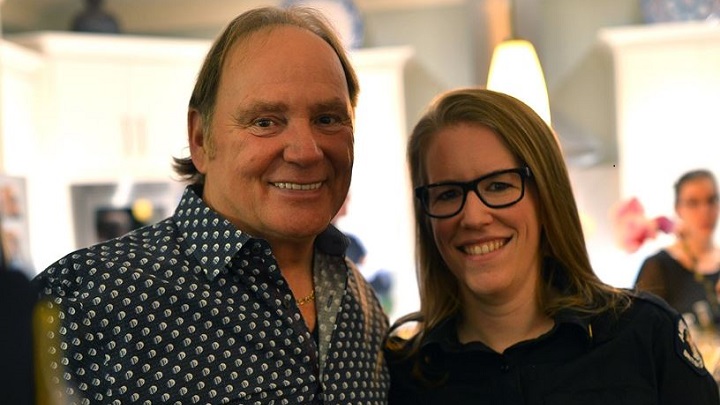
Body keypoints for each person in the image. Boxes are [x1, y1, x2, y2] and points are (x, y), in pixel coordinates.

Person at [33, 6, 390, 404]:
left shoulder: (360, 301)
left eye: (327, 119)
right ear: (201, 140)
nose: (306, 152)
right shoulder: (83, 302)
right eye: (265, 121)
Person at [384, 88, 720, 403]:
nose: (473, 217)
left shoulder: (643, 335)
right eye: (447, 193)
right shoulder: (405, 377)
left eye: (499, 186)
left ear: (547, 197)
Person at [635, 169, 720, 331]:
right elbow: (641, 334)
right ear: (678, 209)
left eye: (711, 200)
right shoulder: (658, 266)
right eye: (693, 203)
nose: (705, 211)